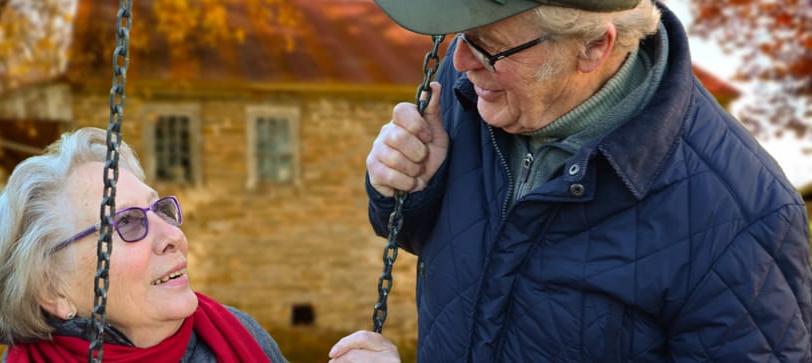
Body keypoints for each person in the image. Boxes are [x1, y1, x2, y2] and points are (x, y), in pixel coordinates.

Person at [330, 0, 812, 361]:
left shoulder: (744, 219)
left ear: (594, 47)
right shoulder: (479, 93)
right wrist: (408, 191)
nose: (461, 61)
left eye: (490, 48)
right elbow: (456, 247)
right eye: (462, 36)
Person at [0, 127, 287, 363]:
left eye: (159, 210)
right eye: (126, 222)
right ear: (51, 289)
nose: (174, 237)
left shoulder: (240, 336)